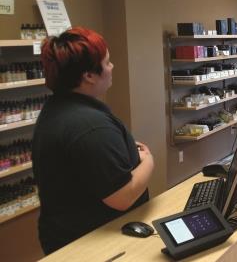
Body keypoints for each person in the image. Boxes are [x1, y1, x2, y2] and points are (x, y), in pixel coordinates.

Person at [32, 27, 155, 254]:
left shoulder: (61, 108)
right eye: (107, 62)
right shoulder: (88, 126)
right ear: (89, 75)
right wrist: (147, 160)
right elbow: (121, 197)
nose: (112, 67)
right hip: (91, 244)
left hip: (74, 235)